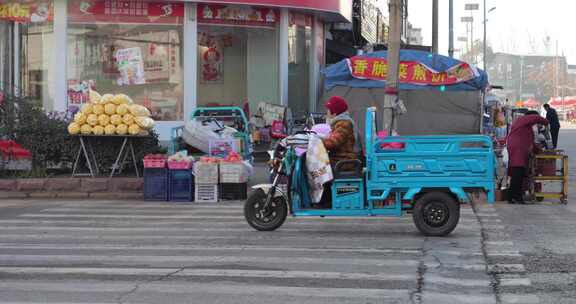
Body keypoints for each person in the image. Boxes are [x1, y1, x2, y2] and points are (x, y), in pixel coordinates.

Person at [506, 110, 549, 204]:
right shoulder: (523, 119)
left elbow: (531, 143)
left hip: (518, 148)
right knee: (518, 172)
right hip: (517, 147)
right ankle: (516, 196)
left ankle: (512, 196)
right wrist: (545, 121)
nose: (536, 123)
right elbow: (535, 118)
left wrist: (539, 151)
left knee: (518, 173)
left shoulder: (526, 127)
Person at [322, 96, 357, 167]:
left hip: (344, 161)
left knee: (316, 167)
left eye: (328, 110)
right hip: (337, 159)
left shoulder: (344, 124)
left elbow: (334, 141)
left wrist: (317, 142)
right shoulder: (338, 123)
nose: (327, 112)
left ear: (334, 113)